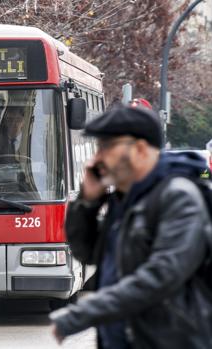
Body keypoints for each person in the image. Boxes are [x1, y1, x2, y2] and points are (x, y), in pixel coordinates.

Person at [50, 106, 212, 348]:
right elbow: (87, 253)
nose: (97, 158)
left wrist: (80, 315)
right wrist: (88, 202)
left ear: (139, 149)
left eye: (107, 146)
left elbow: (161, 275)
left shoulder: (178, 197)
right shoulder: (126, 199)